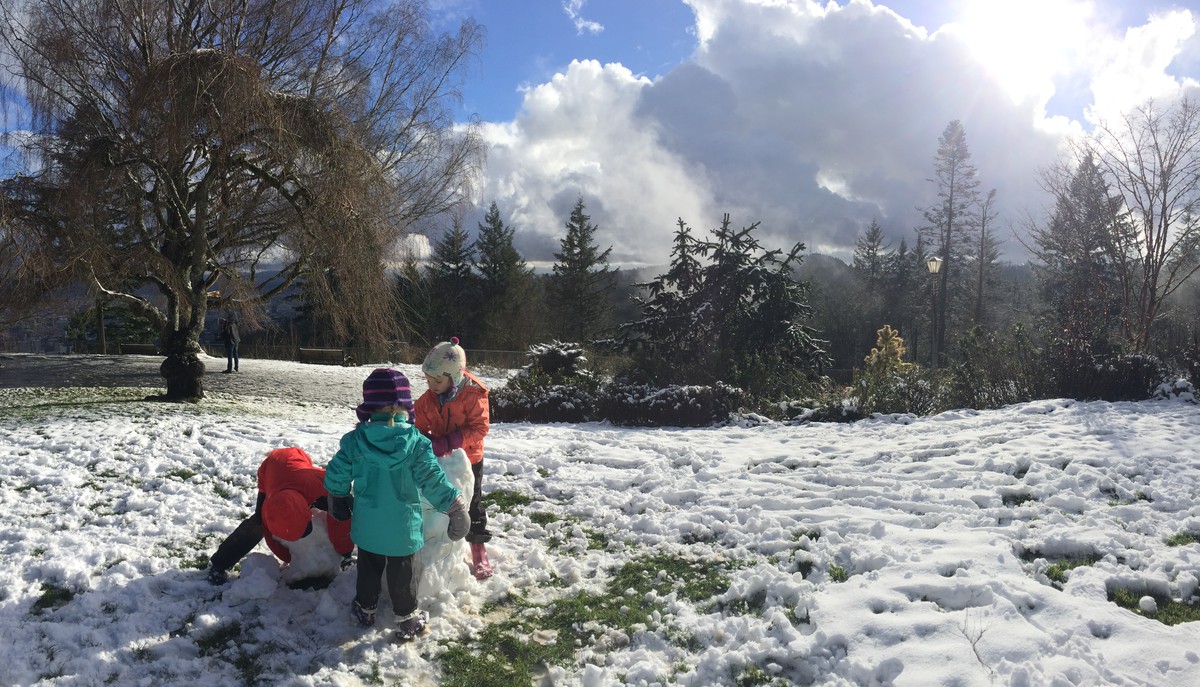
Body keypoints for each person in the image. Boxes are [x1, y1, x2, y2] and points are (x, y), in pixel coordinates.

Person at [324, 367, 469, 640]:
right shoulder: (416, 444)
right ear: (405, 405)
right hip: (403, 530)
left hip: (368, 527)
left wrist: (338, 495)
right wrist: (455, 505)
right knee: (403, 574)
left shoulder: (357, 442)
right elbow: (433, 481)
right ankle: (407, 617)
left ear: (369, 406)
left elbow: (337, 471)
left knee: (368, 570)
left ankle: (365, 608)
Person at [206, 446, 353, 585]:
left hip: (299, 465)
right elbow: (270, 536)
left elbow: (341, 519)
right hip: (269, 471)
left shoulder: (322, 484)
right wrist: (290, 557)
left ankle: (345, 557)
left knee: (336, 508)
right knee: (256, 523)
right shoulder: (267, 511)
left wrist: (344, 552)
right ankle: (220, 564)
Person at [414, 337, 493, 579]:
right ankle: (441, 539)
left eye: (437, 380)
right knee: (445, 498)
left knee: (472, 502)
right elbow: (417, 423)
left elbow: (480, 428)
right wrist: (418, 436)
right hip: (441, 458)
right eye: (428, 380)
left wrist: (451, 441)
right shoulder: (429, 398)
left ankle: (478, 547)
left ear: (454, 377)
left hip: (469, 457)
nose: (432, 385)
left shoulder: (472, 395)